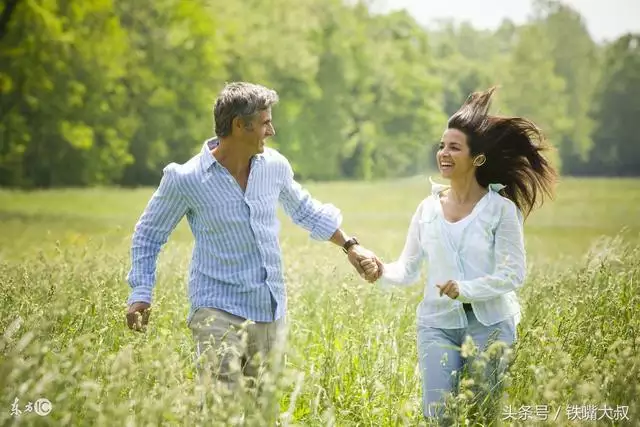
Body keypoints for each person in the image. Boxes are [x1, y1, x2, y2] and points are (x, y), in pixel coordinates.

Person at [125, 82, 380, 401]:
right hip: (215, 309)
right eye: (265, 122)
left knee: (263, 411)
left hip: (269, 309)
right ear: (239, 125)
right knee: (222, 409)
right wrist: (141, 292)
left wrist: (350, 246)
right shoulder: (186, 178)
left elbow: (304, 209)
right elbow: (148, 234)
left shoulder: (274, 167)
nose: (271, 130)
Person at [361, 87, 556, 421]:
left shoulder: (500, 210)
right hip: (436, 324)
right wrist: (380, 270)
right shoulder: (427, 209)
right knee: (438, 414)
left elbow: (513, 274)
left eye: (454, 147)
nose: (443, 153)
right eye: (441, 146)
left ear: (477, 158)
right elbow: (407, 268)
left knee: (483, 416)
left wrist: (465, 289)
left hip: (491, 326)